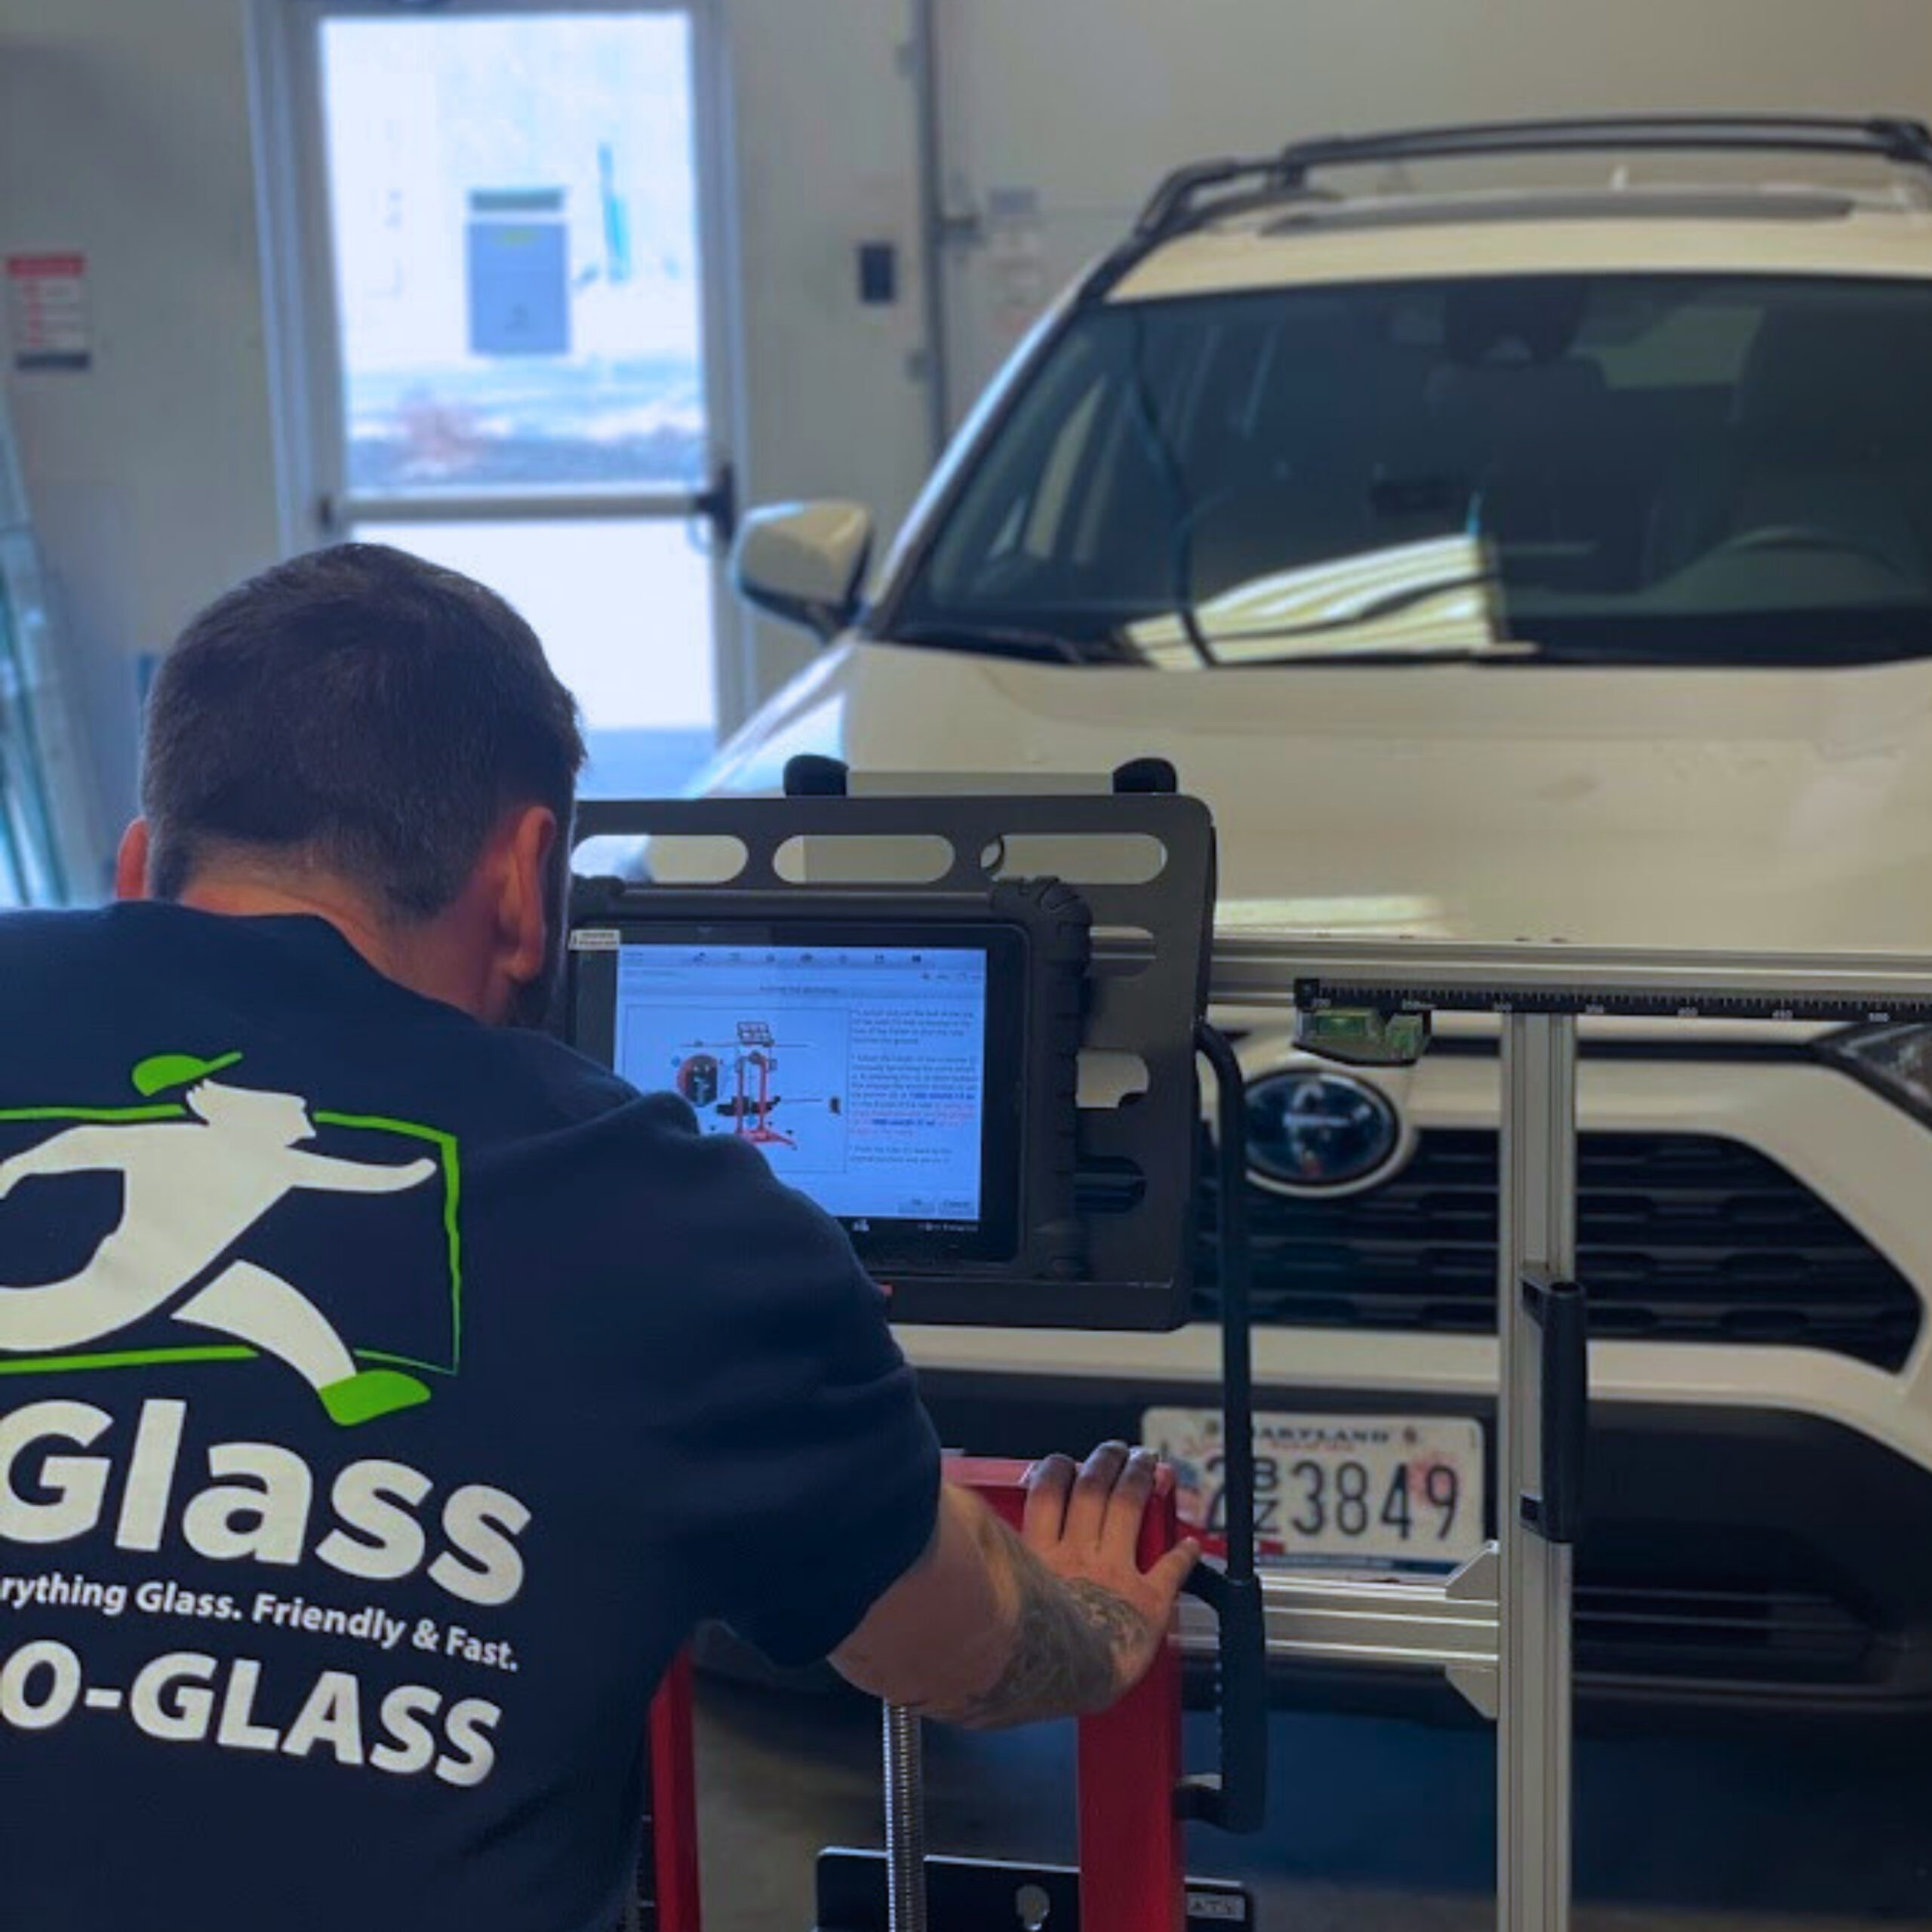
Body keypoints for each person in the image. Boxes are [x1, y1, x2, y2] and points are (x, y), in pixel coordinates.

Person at [0, 543, 1198, 1932]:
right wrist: (1099, 1629)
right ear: (526, 880)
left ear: (140, 866)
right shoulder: (687, 1228)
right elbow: (961, 1652)